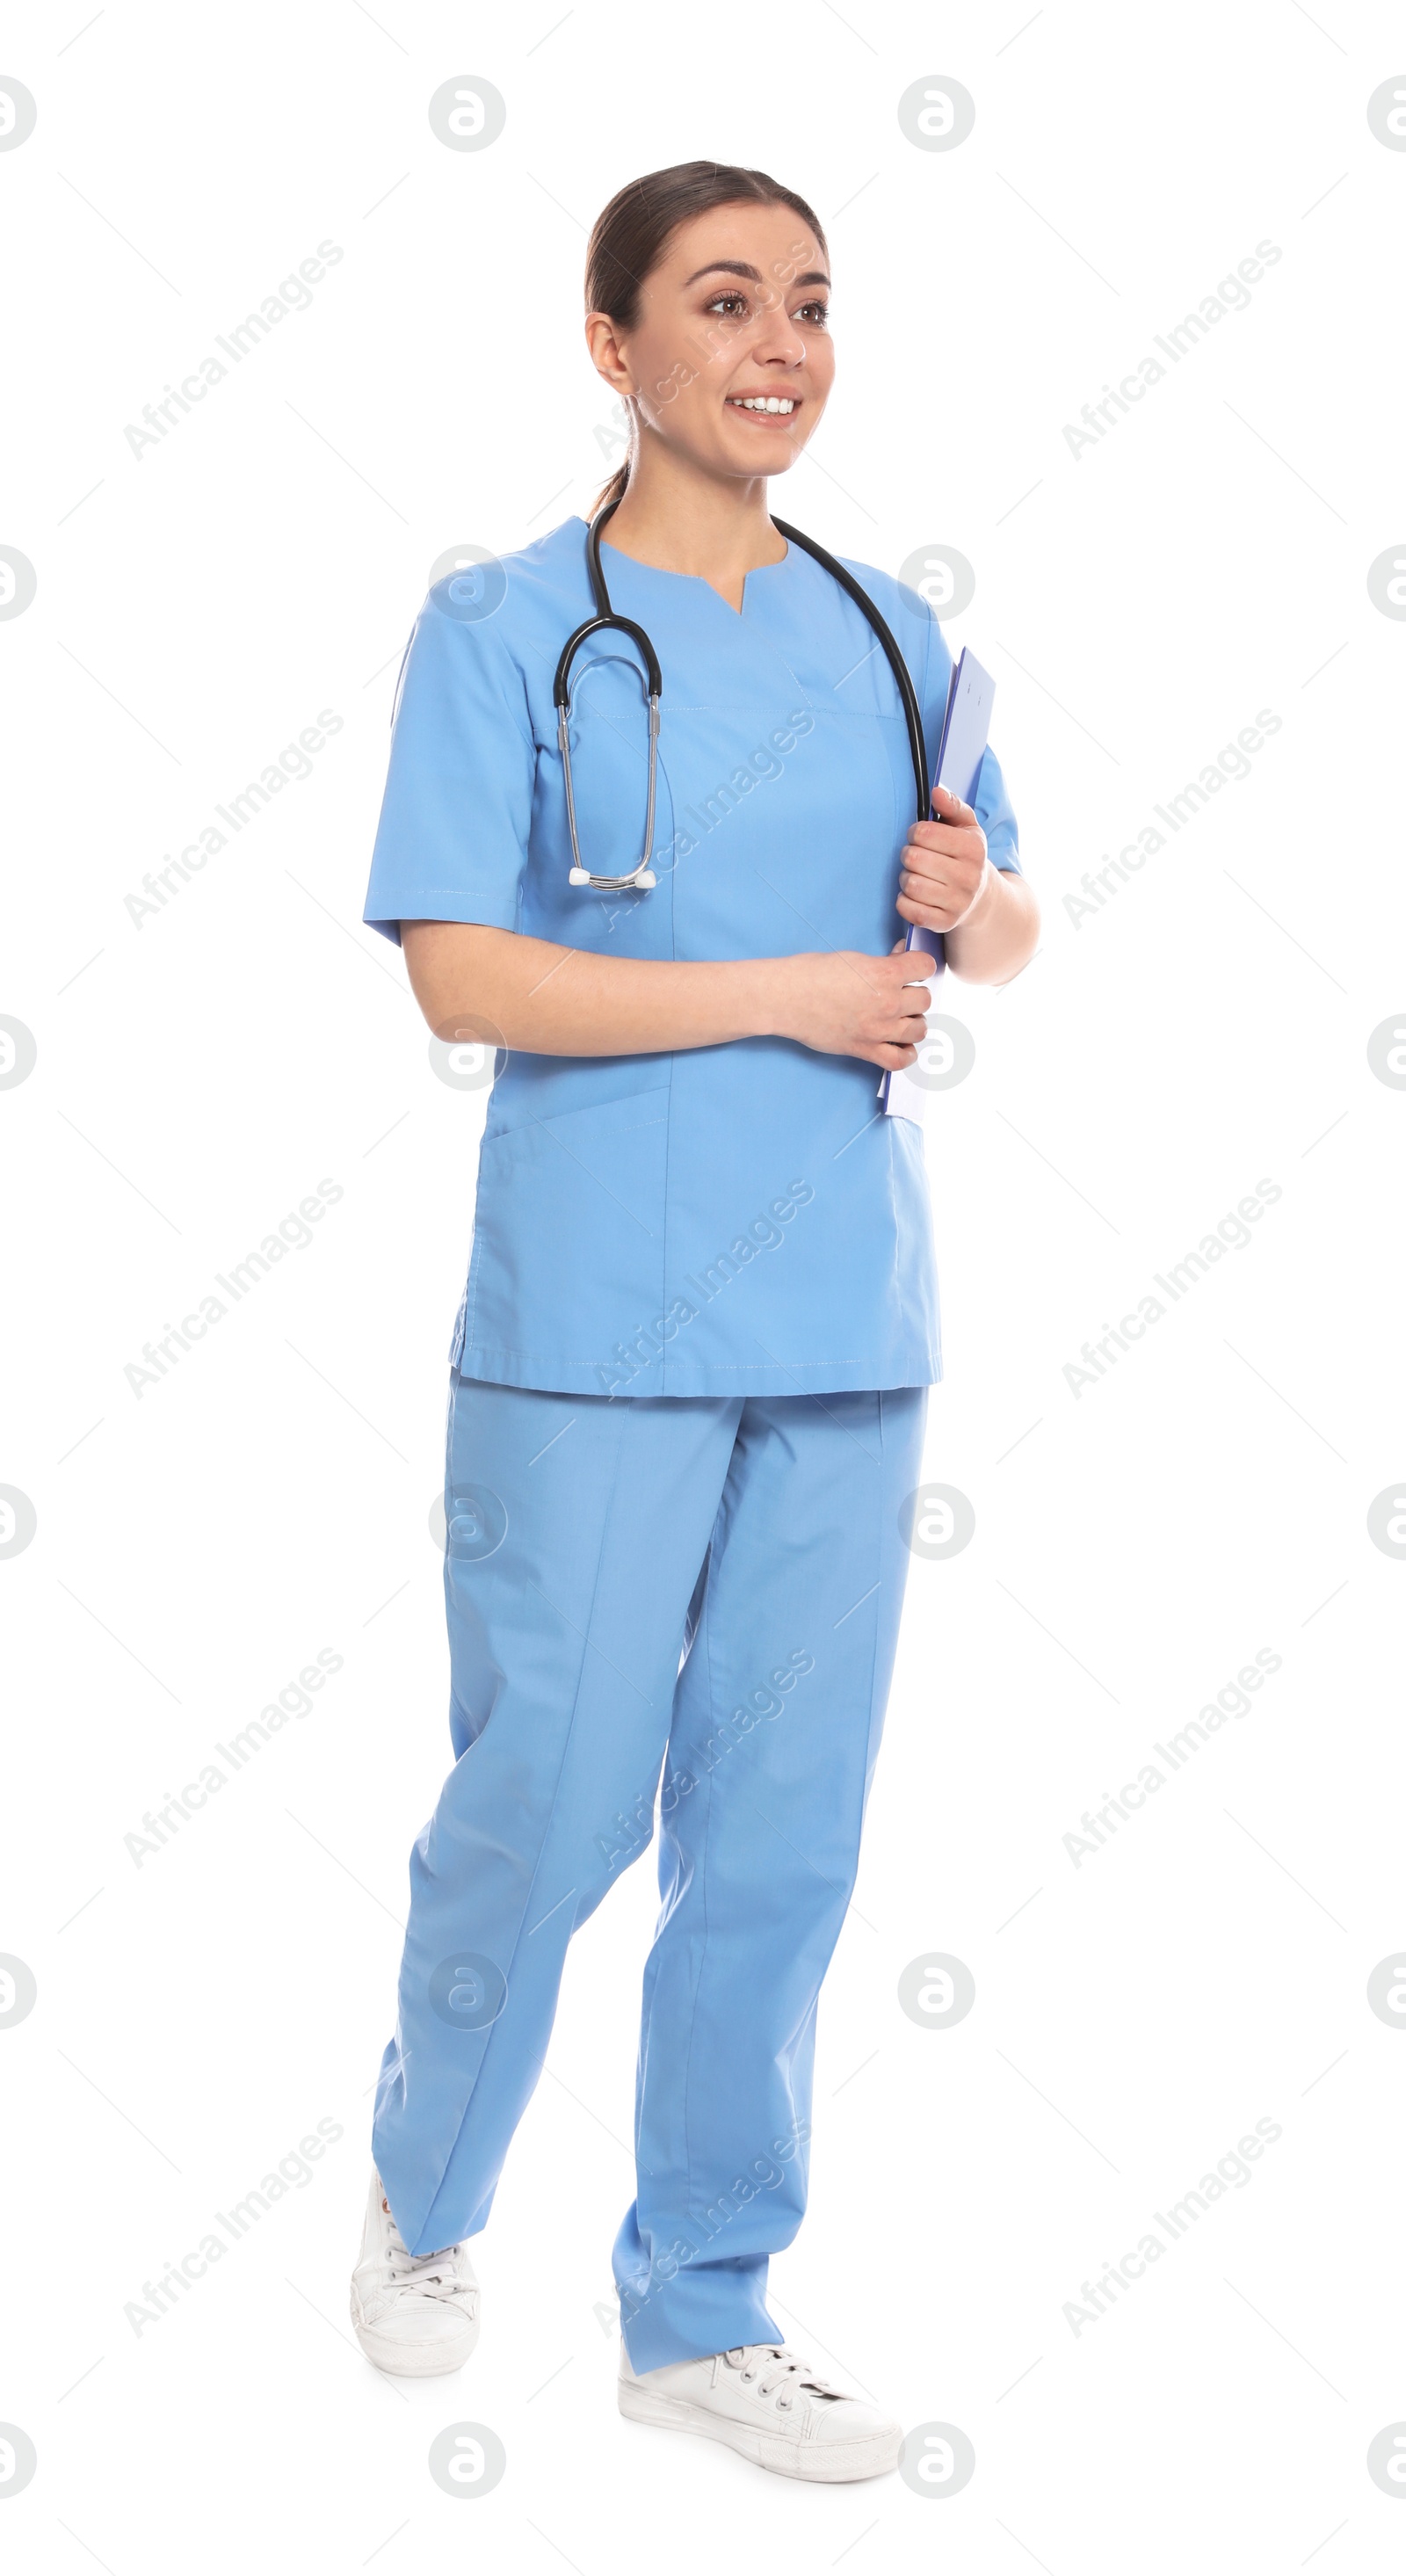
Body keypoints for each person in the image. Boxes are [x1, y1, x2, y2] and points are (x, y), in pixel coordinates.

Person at [349, 159, 1039, 2483]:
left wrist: (980, 901)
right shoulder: (508, 625)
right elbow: (464, 968)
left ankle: (702, 2302)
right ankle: (427, 2192)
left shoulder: (894, 639)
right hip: (594, 1314)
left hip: (843, 1316)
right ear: (611, 339)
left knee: (780, 1836)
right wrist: (786, 989)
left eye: (814, 306)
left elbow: (993, 924)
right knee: (543, 1803)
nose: (781, 344)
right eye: (726, 299)